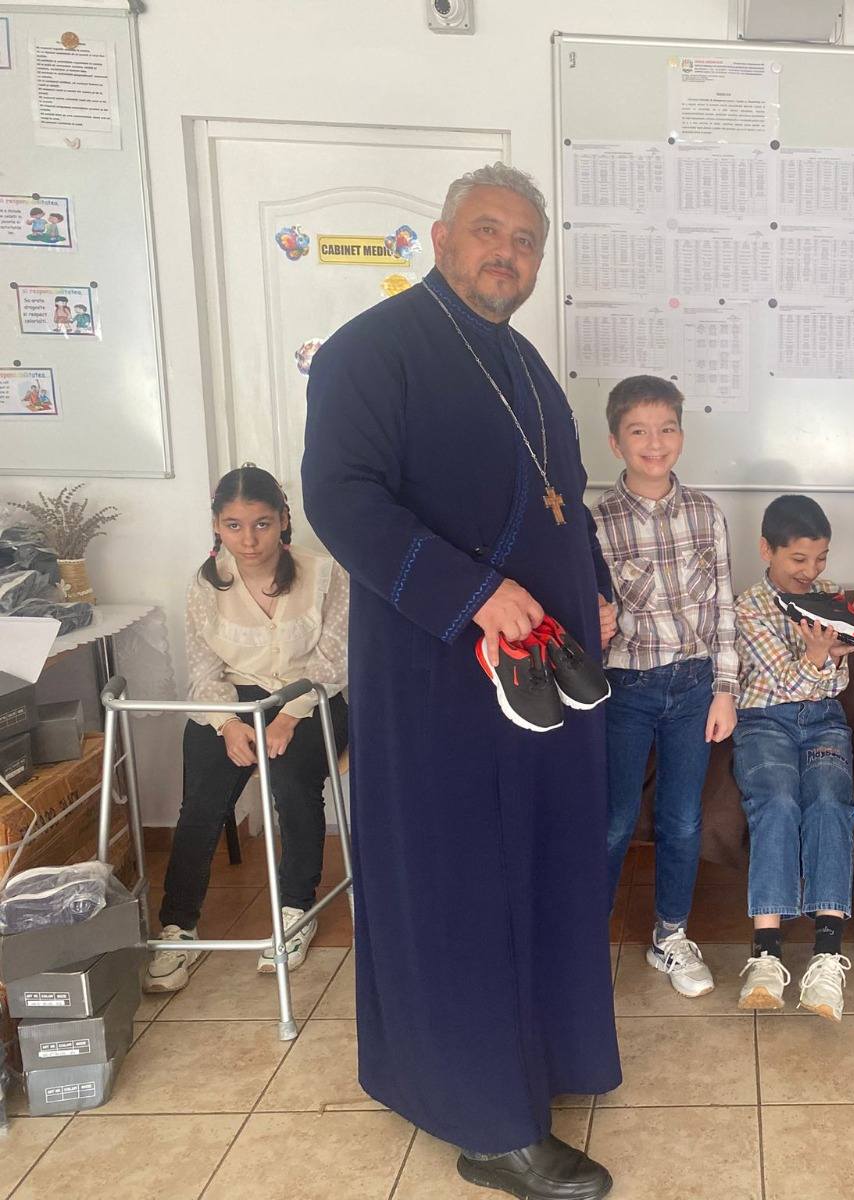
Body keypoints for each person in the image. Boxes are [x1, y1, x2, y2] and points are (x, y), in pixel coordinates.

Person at [302, 162, 619, 1200]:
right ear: (439, 239)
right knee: (465, 886)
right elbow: (339, 498)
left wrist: (598, 586)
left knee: (542, 865)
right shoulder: (370, 351)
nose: (506, 253)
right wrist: (473, 594)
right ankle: (490, 1124)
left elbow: (563, 497)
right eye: (488, 230)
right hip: (439, 678)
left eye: (525, 240)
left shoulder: (523, 362)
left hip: (542, 678)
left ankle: (541, 1059)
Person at [146, 465, 349, 994]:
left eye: (262, 524)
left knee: (292, 786)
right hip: (231, 702)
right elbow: (203, 671)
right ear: (217, 525)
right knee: (202, 803)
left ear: (283, 520)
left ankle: (294, 910)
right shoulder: (204, 584)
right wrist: (228, 725)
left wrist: (288, 715)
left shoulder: (325, 574)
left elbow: (334, 660)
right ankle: (178, 926)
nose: (249, 540)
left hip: (308, 699)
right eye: (234, 526)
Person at [592, 374, 737, 999]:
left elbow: (724, 607)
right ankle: (584, 937)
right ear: (615, 442)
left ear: (682, 433)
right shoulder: (595, 523)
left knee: (682, 819)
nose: (655, 443)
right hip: (624, 689)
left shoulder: (707, 514)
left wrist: (726, 690)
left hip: (696, 687)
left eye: (667, 428)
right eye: (639, 431)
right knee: (613, 819)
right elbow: (585, 616)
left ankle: (670, 934)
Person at [732, 495, 854, 1020]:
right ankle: (766, 955)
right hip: (763, 721)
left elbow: (838, 681)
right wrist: (818, 656)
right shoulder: (747, 608)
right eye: (799, 559)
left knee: (830, 800)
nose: (813, 571)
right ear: (767, 549)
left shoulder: (831, 597)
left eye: (821, 557)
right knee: (779, 801)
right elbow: (786, 683)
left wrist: (822, 661)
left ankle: (827, 956)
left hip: (825, 720)